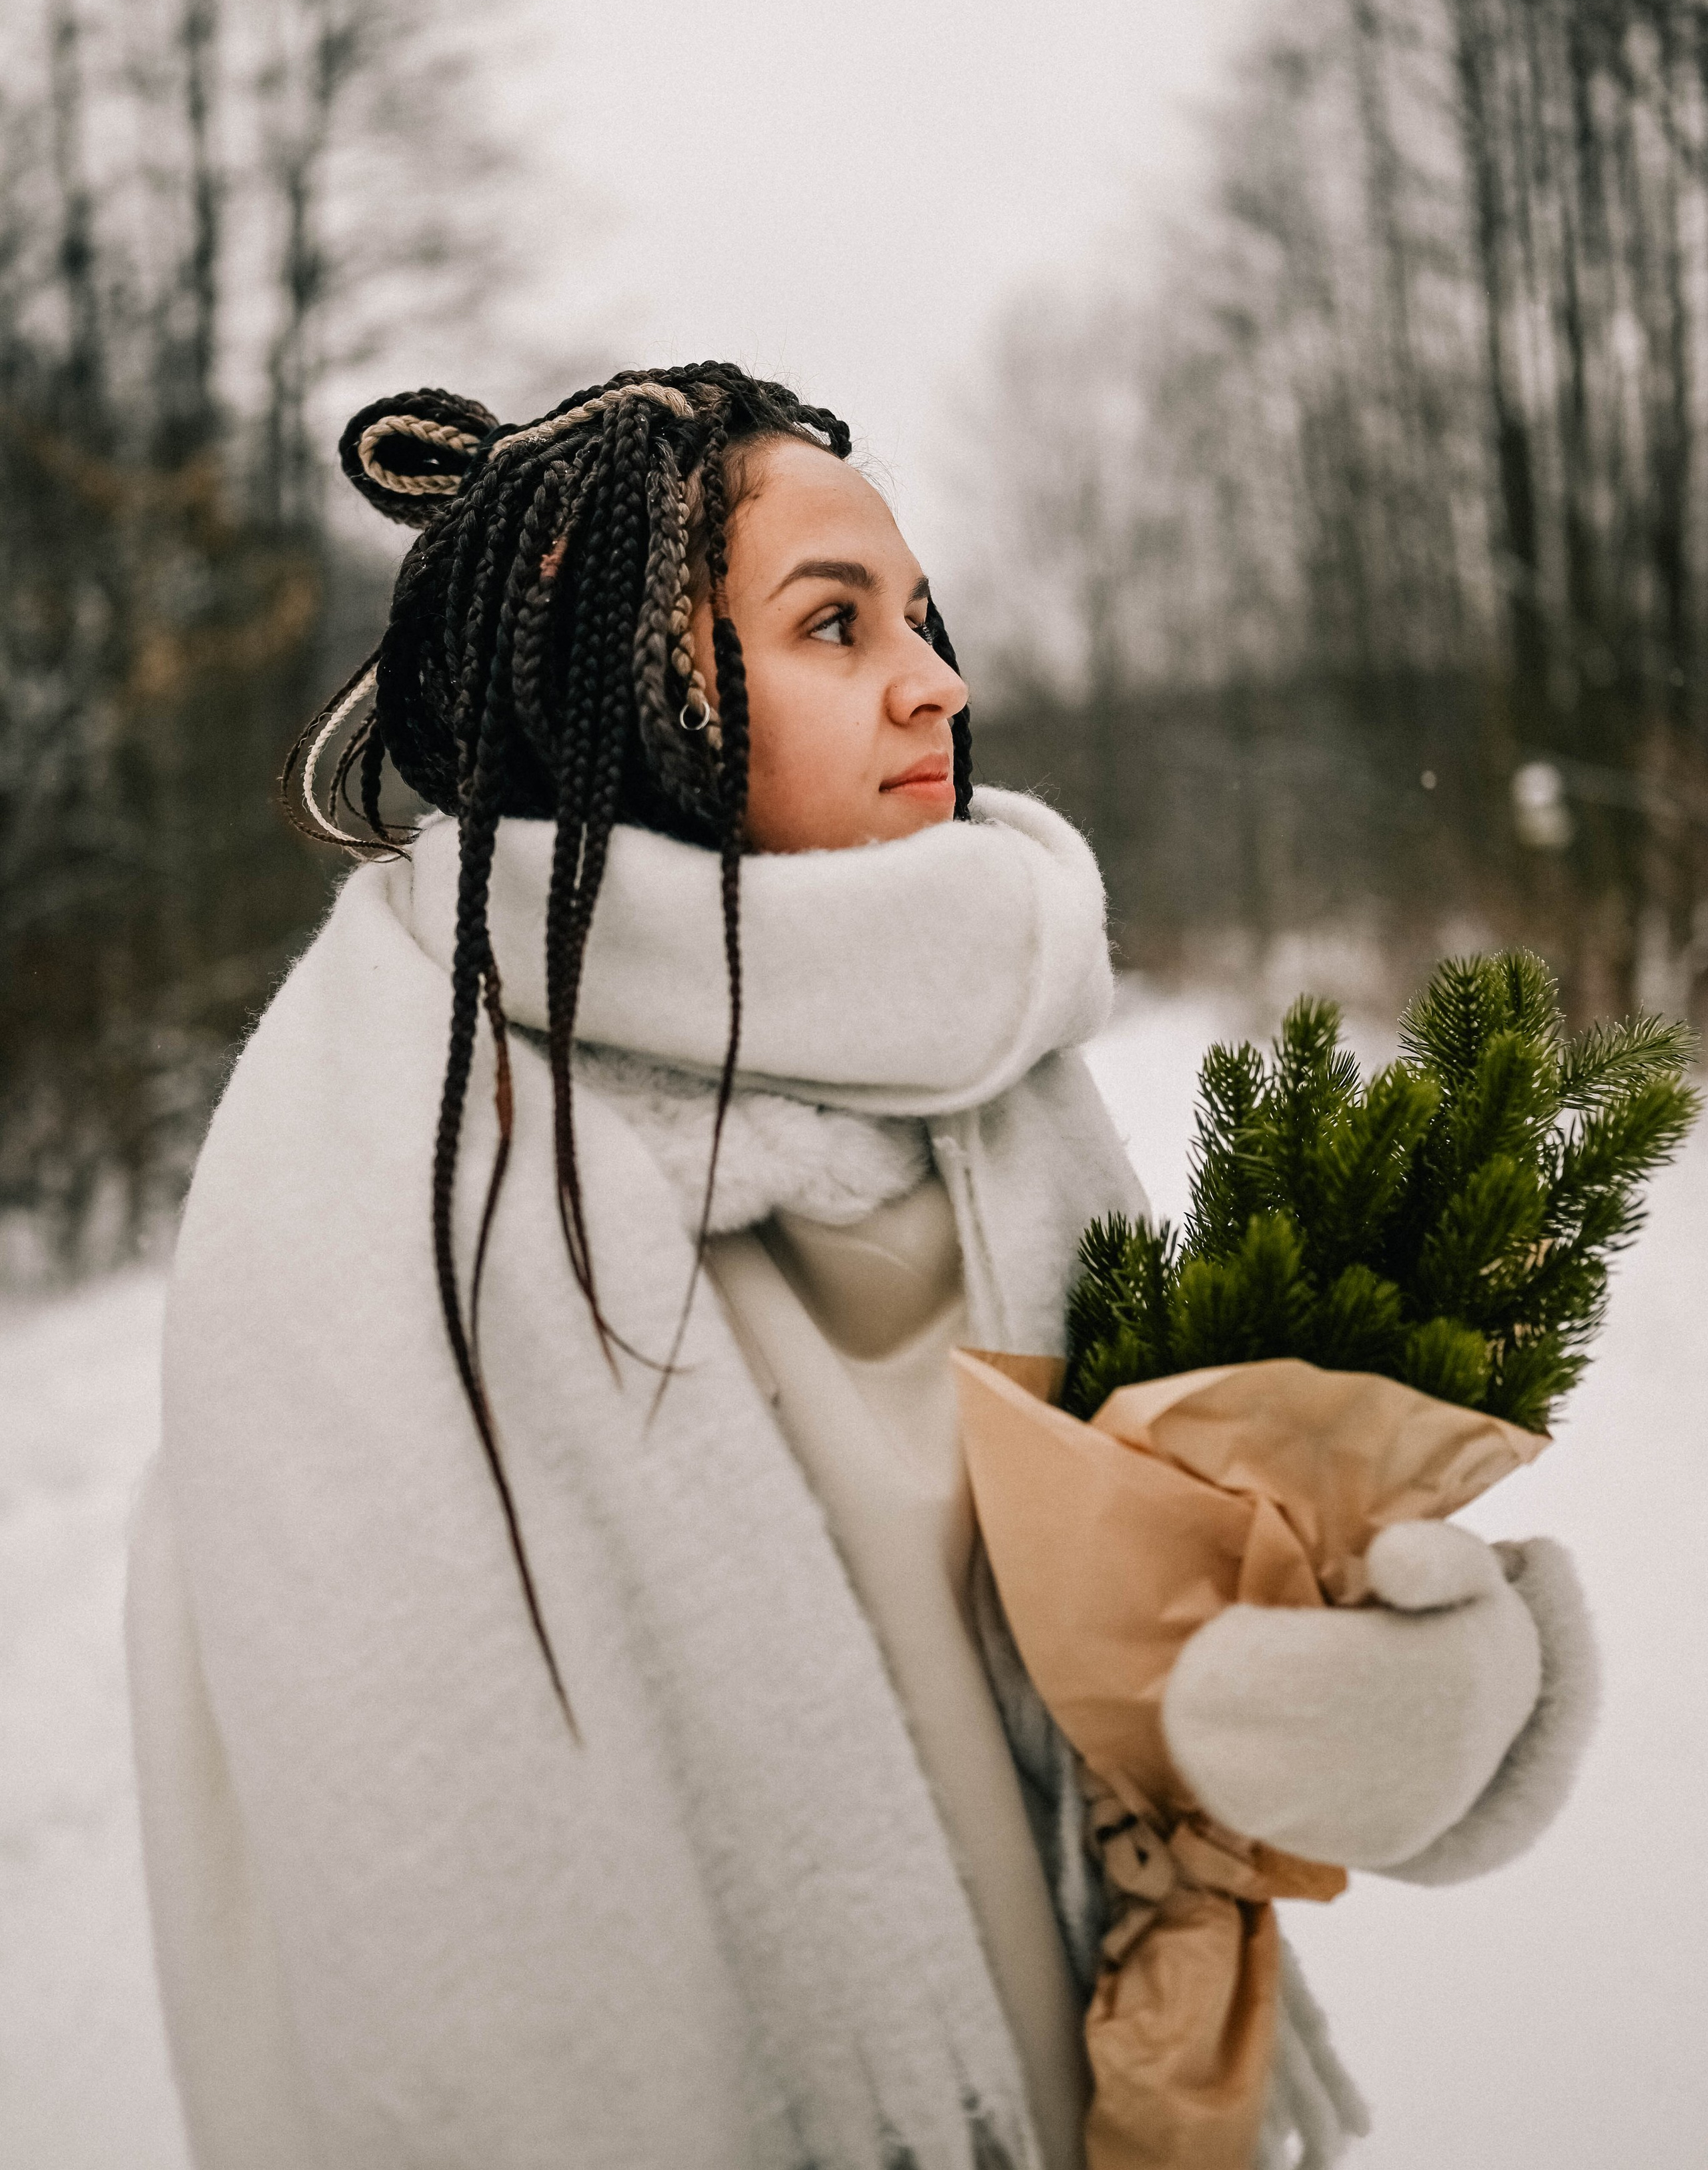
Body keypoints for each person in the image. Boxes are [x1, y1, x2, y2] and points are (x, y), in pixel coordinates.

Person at [125, 364, 1597, 2170]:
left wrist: (1350, 1715)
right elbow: (428, 1925)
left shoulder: (995, 1091)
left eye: (919, 614)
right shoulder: (390, 1180)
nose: (937, 681)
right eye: (835, 621)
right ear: (616, 679)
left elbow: (1150, 1661)